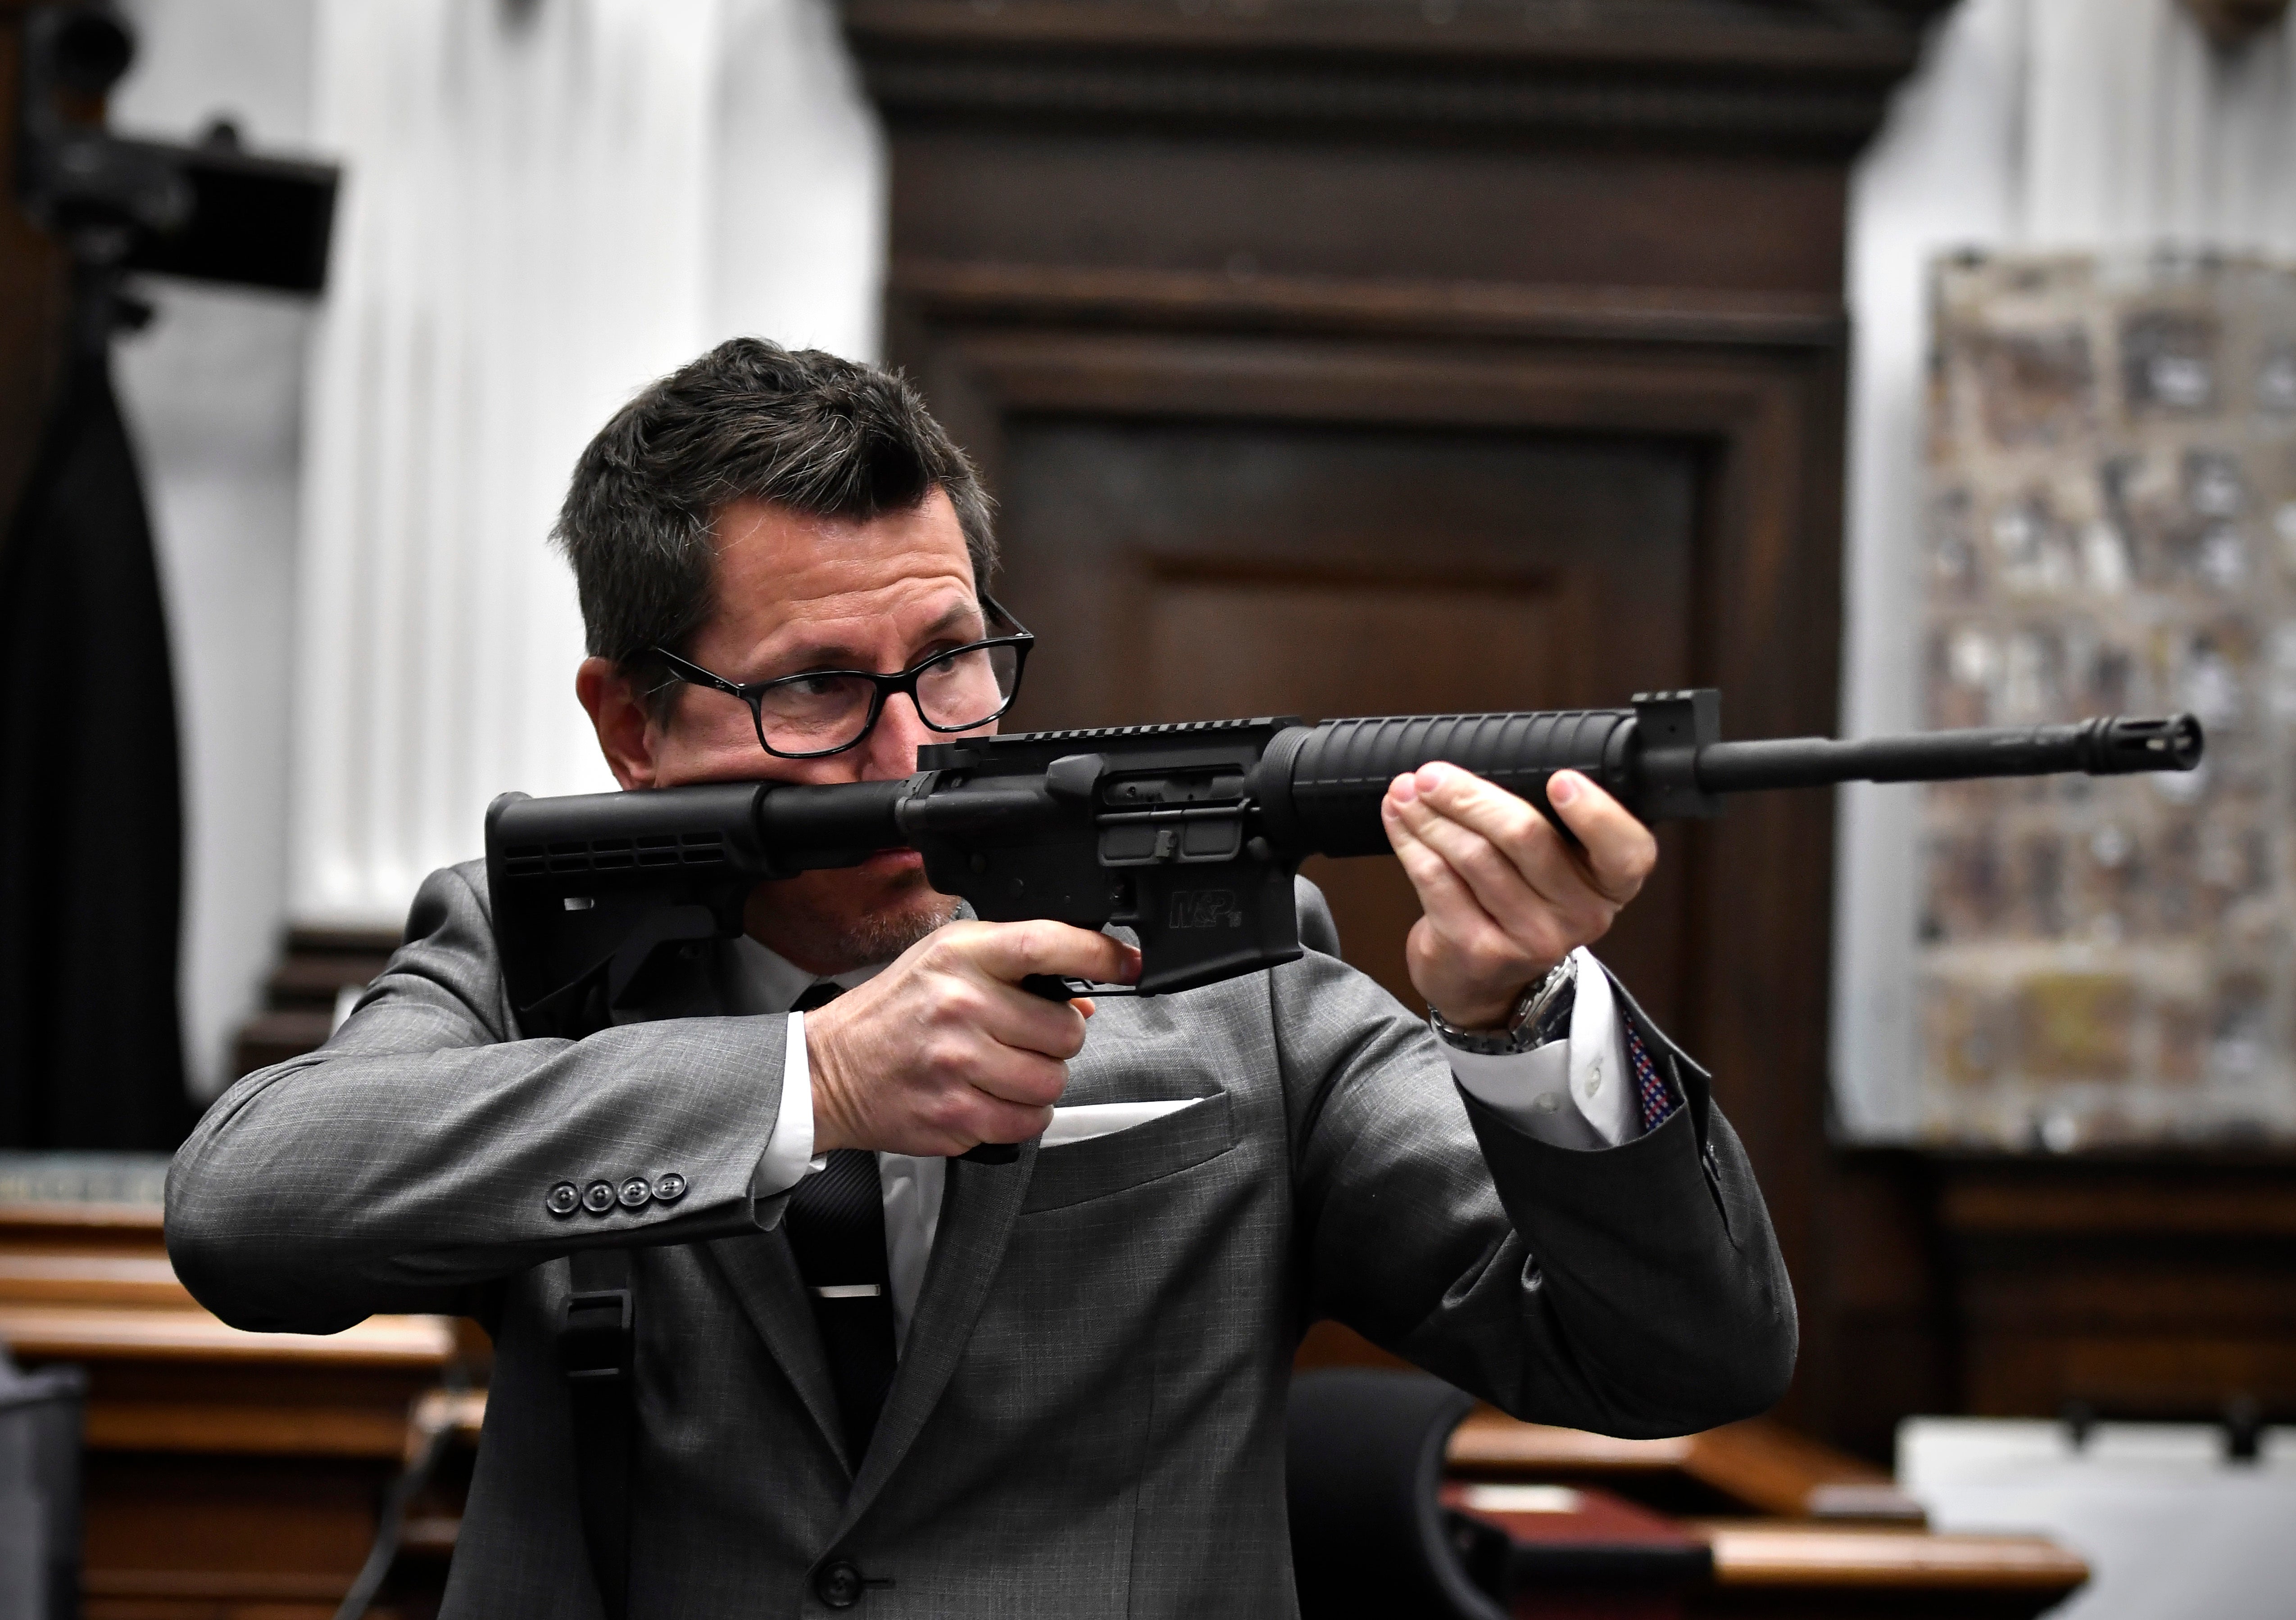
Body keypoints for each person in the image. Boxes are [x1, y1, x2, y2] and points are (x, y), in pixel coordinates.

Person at [167, 339, 1793, 1618]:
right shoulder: (527, 949)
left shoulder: (1232, 970)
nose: (913, 746)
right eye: (814, 688)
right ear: (627, 725)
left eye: (949, 658)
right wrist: (807, 1087)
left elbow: (1676, 1362)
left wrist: (1521, 1017)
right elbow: (250, 1209)